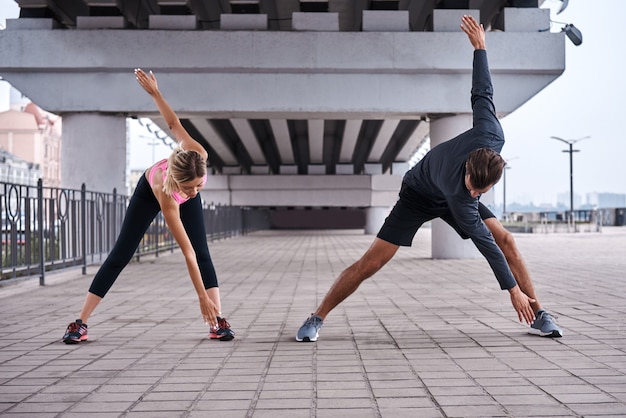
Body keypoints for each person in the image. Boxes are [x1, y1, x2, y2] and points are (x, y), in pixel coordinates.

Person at [296, 15, 562, 342]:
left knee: (508, 239)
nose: (474, 194)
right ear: (467, 168)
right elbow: (485, 245)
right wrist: (511, 291)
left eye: (481, 191)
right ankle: (317, 316)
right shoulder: (460, 191)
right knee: (371, 262)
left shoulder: (490, 134)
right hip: (418, 195)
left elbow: (482, 93)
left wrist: (480, 48)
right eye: (472, 187)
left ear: (491, 181)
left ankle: (538, 313)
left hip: (452, 195)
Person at [62, 68, 234, 344]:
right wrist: (200, 297)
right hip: (148, 193)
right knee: (121, 254)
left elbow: (173, 123)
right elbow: (185, 252)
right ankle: (80, 323)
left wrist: (155, 93)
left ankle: (218, 320)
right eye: (188, 188)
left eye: (199, 186)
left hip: (177, 184)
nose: (193, 192)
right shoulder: (165, 191)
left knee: (205, 253)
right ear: (177, 181)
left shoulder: (197, 153)